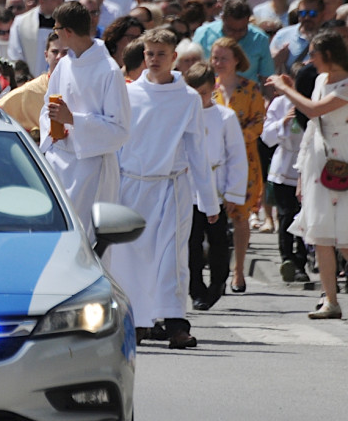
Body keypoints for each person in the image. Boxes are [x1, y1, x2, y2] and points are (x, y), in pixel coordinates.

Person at [106, 29, 219, 349]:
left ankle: (175, 323)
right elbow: (116, 144)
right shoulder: (129, 94)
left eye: (161, 54)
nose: (154, 59)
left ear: (173, 58)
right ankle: (137, 321)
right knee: (132, 257)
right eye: (149, 54)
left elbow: (197, 149)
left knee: (172, 257)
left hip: (171, 187)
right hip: (132, 185)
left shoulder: (186, 99)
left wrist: (209, 202)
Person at [269, 31, 348, 318]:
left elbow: (314, 110)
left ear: (329, 54)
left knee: (346, 237)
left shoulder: (346, 85)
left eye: (314, 53)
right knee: (322, 236)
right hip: (318, 165)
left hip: (344, 164)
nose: (309, 59)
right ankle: (330, 300)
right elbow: (313, 128)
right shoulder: (319, 80)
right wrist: (302, 173)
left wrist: (284, 88)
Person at [39, 2, 130, 237]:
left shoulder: (108, 71)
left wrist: (73, 119)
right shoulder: (65, 65)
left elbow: (119, 130)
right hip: (60, 162)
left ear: (67, 32)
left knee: (86, 241)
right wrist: (53, 132)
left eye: (56, 30)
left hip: (92, 168)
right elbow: (47, 108)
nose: (55, 35)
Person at [184, 62, 248, 310]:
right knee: (192, 243)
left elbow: (236, 155)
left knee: (218, 241)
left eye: (202, 92)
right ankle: (196, 288)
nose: (198, 98)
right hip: (188, 187)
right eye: (193, 92)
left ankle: (218, 282)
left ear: (213, 89)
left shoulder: (225, 116)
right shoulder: (183, 115)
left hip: (215, 187)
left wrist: (233, 191)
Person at [209, 36, 265, 293]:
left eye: (223, 58)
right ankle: (216, 271)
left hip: (245, 159)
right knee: (213, 216)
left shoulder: (251, 88)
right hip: (213, 162)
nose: (218, 62)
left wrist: (232, 136)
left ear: (235, 61)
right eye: (215, 57)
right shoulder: (208, 89)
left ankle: (239, 271)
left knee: (241, 216)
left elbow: (258, 123)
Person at [261, 82, 309, 283]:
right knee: (286, 215)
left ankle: (302, 261)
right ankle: (287, 259)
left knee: (305, 217)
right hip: (284, 168)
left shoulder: (313, 102)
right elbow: (266, 136)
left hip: (308, 165)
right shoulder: (280, 103)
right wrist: (283, 121)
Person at [0, 32, 65, 138]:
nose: (59, 57)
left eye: (65, 52)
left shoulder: (83, 88)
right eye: (55, 52)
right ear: (46, 55)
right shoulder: (29, 91)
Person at [7, 0, 64, 75]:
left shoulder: (67, 21)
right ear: (42, 1)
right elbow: (15, 53)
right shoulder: (21, 22)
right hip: (31, 80)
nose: (60, 0)